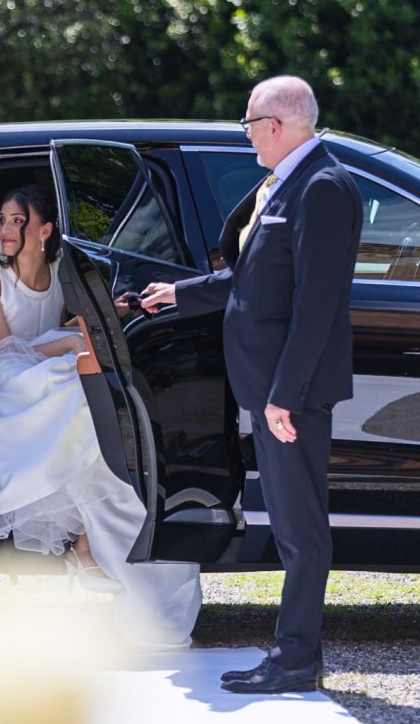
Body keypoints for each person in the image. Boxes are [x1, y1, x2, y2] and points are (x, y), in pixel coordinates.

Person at [141, 76, 362, 692]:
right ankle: (295, 656)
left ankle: (295, 661)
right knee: (291, 525)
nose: (245, 135)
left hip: (287, 395)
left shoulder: (321, 187)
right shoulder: (283, 182)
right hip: (267, 389)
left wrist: (284, 396)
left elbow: (315, 305)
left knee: (300, 530)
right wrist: (179, 294)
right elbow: (252, 279)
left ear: (276, 124)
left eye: (248, 123)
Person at [0, 185, 201, 652]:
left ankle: (89, 537)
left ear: (44, 231)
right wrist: (68, 343)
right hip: (2, 363)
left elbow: (71, 322)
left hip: (40, 353)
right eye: (2, 220)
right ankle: (87, 541)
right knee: (76, 391)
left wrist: (106, 317)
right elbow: (2, 346)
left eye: (17, 221)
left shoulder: (60, 270)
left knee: (97, 389)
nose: (6, 230)